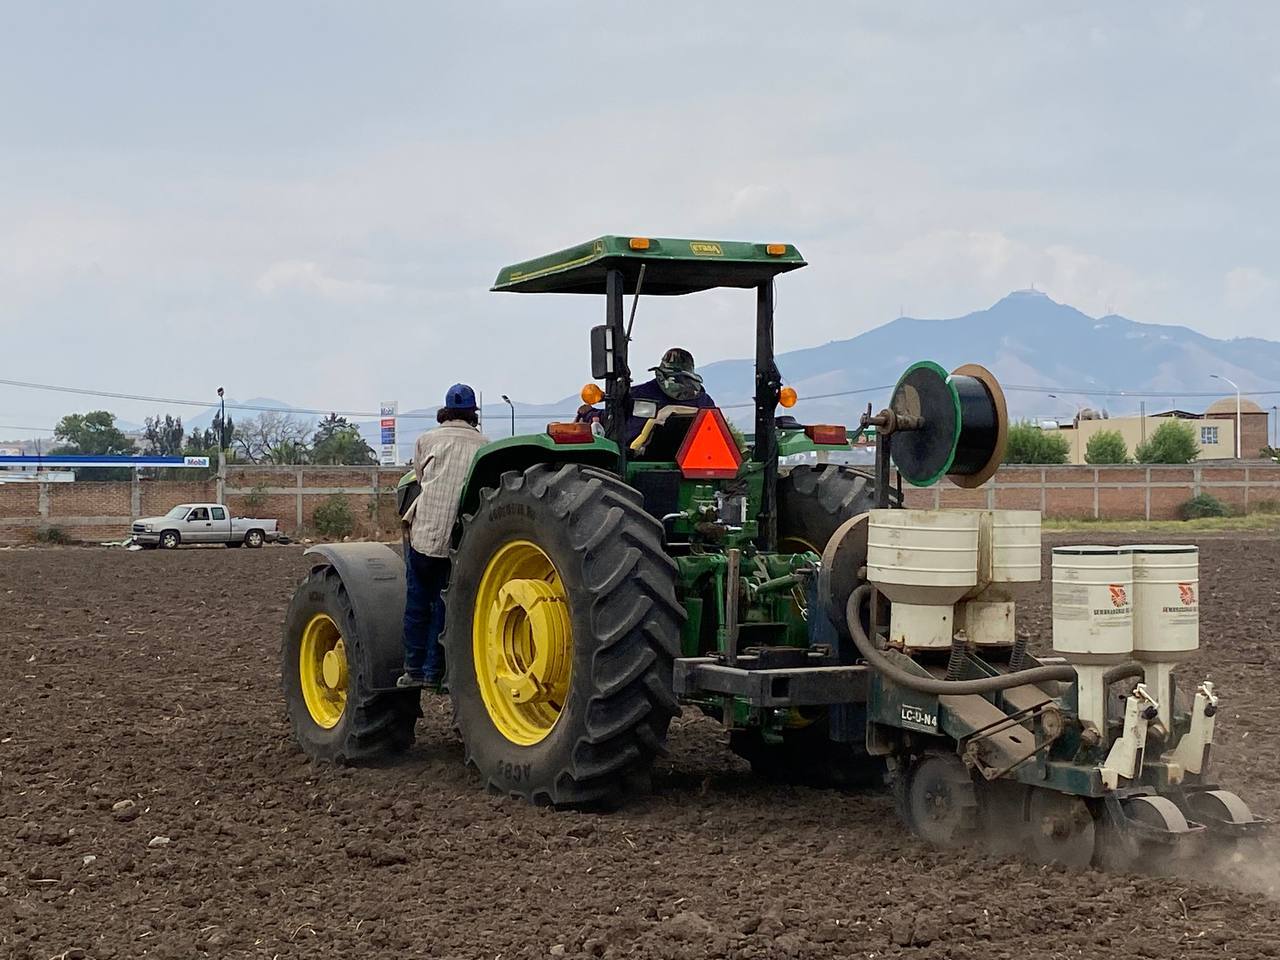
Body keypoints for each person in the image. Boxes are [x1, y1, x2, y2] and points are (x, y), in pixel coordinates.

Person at [398, 383, 489, 689]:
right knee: (443, 605)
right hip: (457, 540)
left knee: (418, 601)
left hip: (424, 534)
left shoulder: (427, 439)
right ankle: (435, 671)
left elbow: (420, 479)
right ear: (472, 414)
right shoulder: (483, 445)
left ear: (446, 411)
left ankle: (413, 669)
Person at [625, 347, 716, 443]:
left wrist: (671, 410)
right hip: (693, 454)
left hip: (639, 455)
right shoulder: (704, 400)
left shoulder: (638, 393)